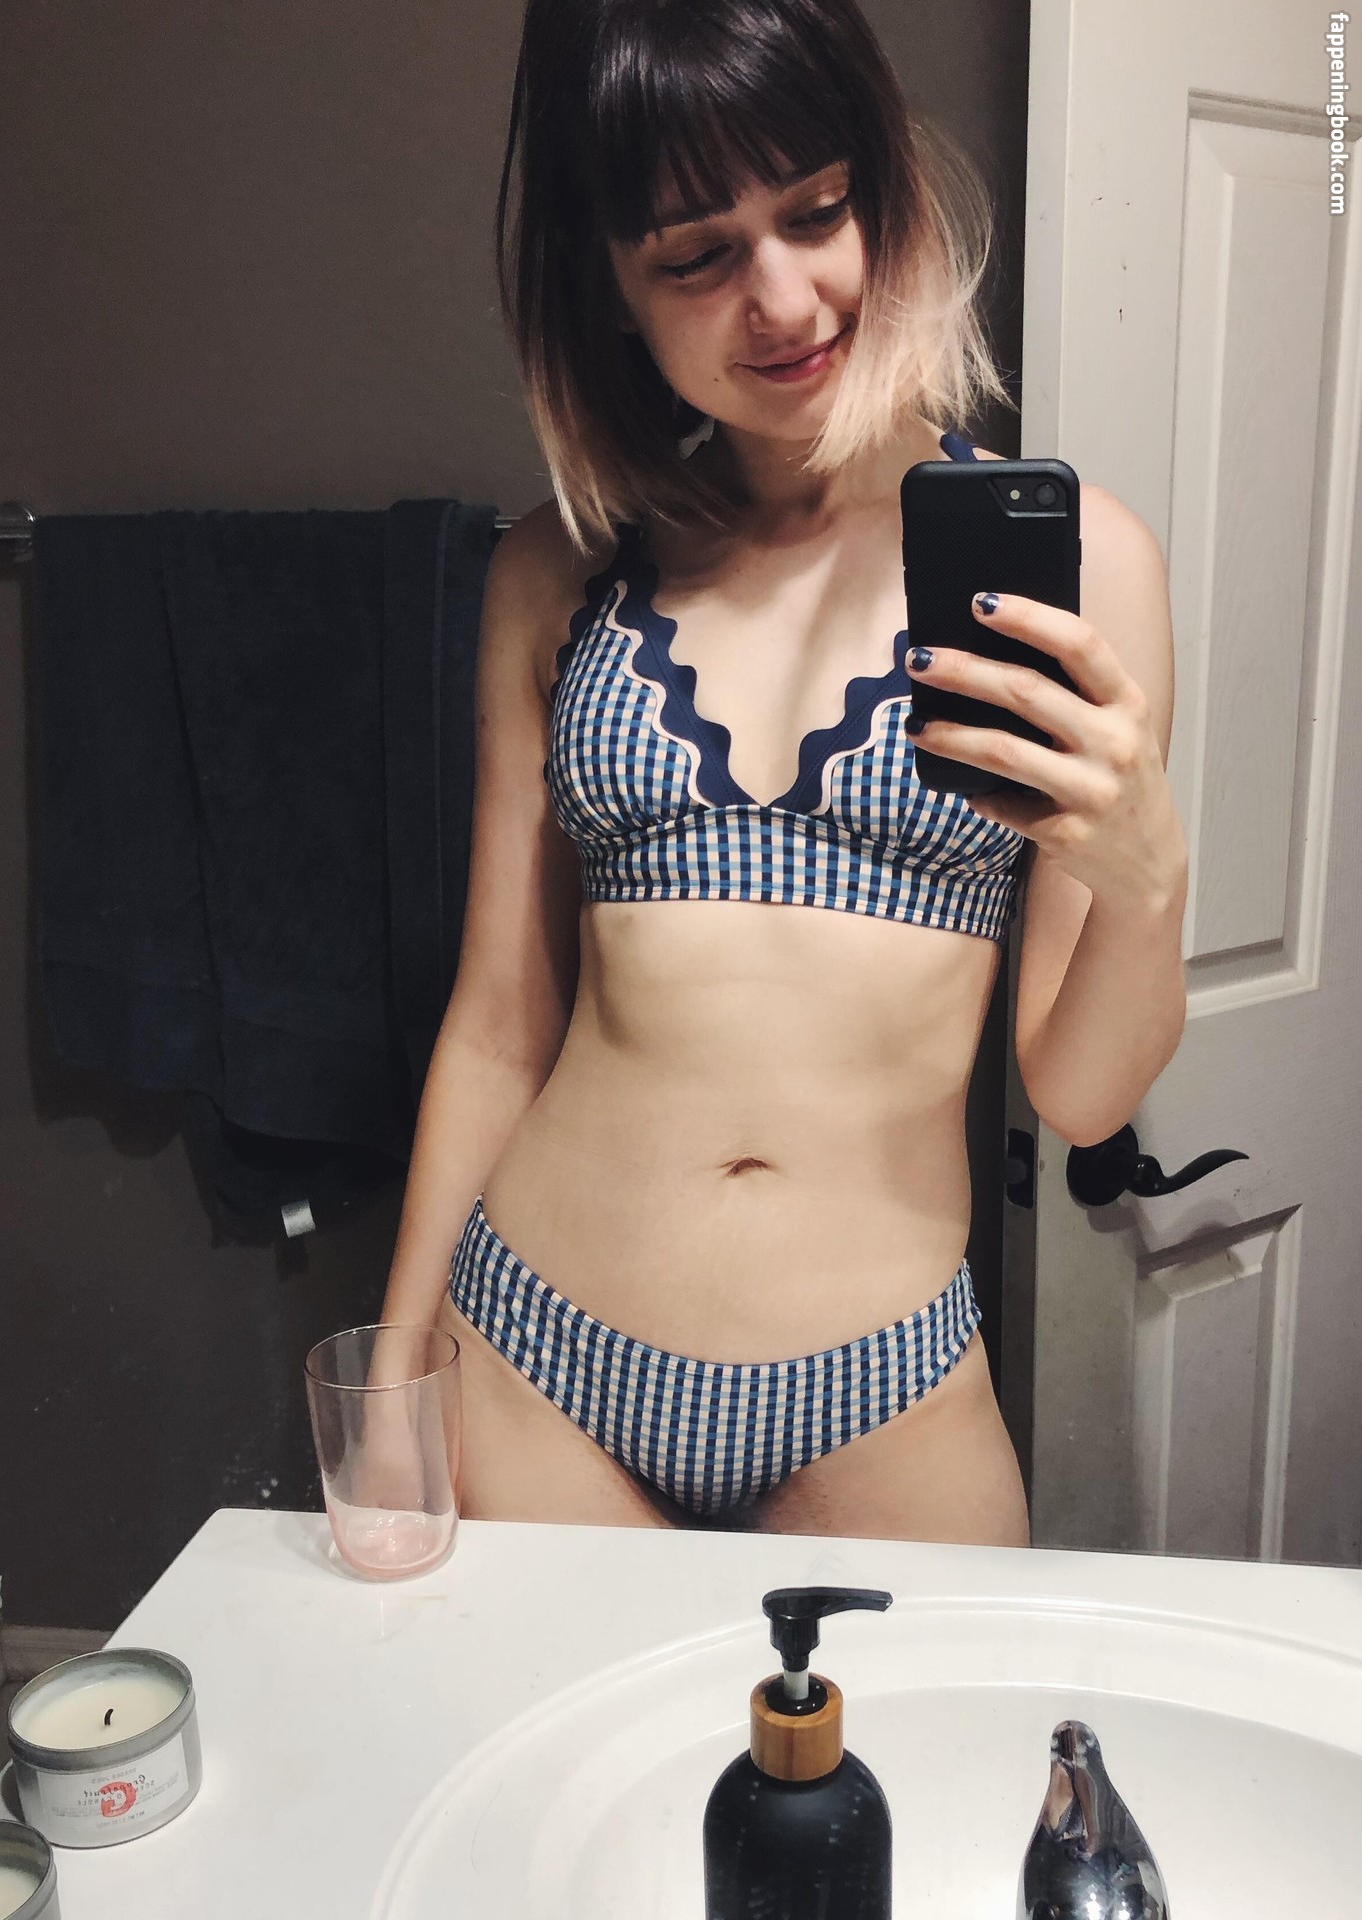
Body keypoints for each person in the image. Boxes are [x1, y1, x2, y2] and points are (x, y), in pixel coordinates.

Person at [382, 0, 1189, 1545]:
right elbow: (495, 1023)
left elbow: (1078, 1093)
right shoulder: (558, 572)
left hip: (881, 1390)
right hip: (539, 1356)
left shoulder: (1092, 565)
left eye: (818, 213)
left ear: (884, 190)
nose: (785, 298)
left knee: (934, 1718)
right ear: (612, 287)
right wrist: (395, 1382)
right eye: (697, 257)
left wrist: (1148, 883)